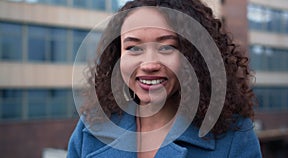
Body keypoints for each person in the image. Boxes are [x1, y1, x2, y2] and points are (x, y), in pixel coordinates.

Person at [68, 0, 262, 157]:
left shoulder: (234, 136)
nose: (149, 64)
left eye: (167, 47)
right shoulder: (91, 126)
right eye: (133, 48)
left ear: (195, 57)